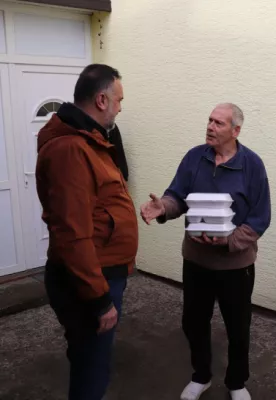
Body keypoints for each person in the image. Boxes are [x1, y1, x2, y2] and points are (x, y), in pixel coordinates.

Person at [140, 103, 271, 400]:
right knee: (193, 322)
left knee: (237, 327)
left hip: (235, 265)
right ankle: (201, 376)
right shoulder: (194, 158)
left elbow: (260, 216)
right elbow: (177, 197)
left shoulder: (252, 165)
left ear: (235, 130)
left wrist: (230, 240)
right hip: (197, 261)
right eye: (209, 121)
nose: (210, 126)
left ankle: (237, 383)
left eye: (219, 123)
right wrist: (162, 206)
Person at [36, 64, 138, 400]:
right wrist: (99, 299)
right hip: (91, 279)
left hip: (100, 271)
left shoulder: (90, 140)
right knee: (92, 369)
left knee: (87, 357)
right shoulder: (71, 149)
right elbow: (73, 234)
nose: (121, 107)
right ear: (101, 100)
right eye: (119, 100)